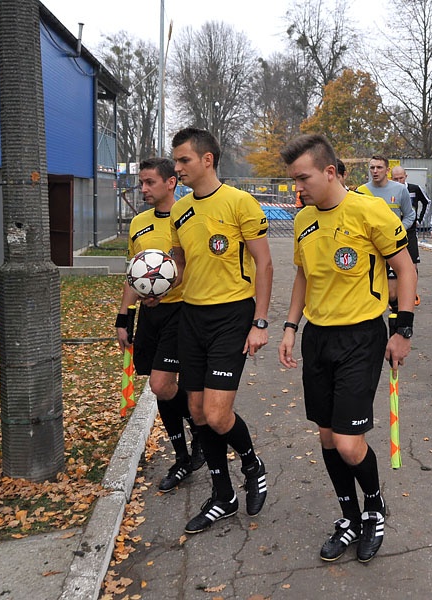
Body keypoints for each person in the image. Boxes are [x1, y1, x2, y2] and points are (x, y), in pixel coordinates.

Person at [278, 134, 416, 563]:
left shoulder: (369, 211)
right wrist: (289, 326)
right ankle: (349, 517)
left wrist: (402, 330)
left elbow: (405, 269)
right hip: (318, 337)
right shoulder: (303, 220)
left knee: (349, 443)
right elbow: (303, 277)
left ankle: (374, 509)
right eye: (294, 180)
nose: (298, 188)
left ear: (331, 171)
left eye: (304, 178)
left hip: (361, 336)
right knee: (326, 435)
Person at [169, 127, 273, 534]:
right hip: (191, 317)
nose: (177, 168)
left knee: (216, 413)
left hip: (232, 315)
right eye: (175, 161)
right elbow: (180, 264)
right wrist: (159, 286)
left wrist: (260, 321)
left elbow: (264, 264)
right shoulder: (179, 211)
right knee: (197, 412)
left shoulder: (239, 203)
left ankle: (251, 462)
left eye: (184, 161)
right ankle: (223, 496)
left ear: (207, 160)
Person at [115, 157, 204, 494]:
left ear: (171, 183)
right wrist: (124, 317)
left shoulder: (188, 217)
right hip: (150, 315)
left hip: (181, 311)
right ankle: (184, 455)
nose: (143, 189)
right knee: (162, 390)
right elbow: (133, 273)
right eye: (141, 183)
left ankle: (199, 426)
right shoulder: (138, 222)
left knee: (160, 385)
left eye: (150, 182)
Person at [357, 156, 418, 307]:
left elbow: (410, 214)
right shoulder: (361, 191)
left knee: (392, 294)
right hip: (370, 247)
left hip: (392, 246)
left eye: (379, 167)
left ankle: (398, 323)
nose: (375, 171)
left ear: (387, 170)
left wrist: (399, 230)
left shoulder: (399, 190)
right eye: (372, 168)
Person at [391, 165, 430, 232]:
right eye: (395, 179)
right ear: (391, 178)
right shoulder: (388, 190)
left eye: (401, 178)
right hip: (393, 228)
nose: (398, 181)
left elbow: (427, 202)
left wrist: (420, 220)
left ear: (406, 176)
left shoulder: (415, 189)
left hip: (411, 228)